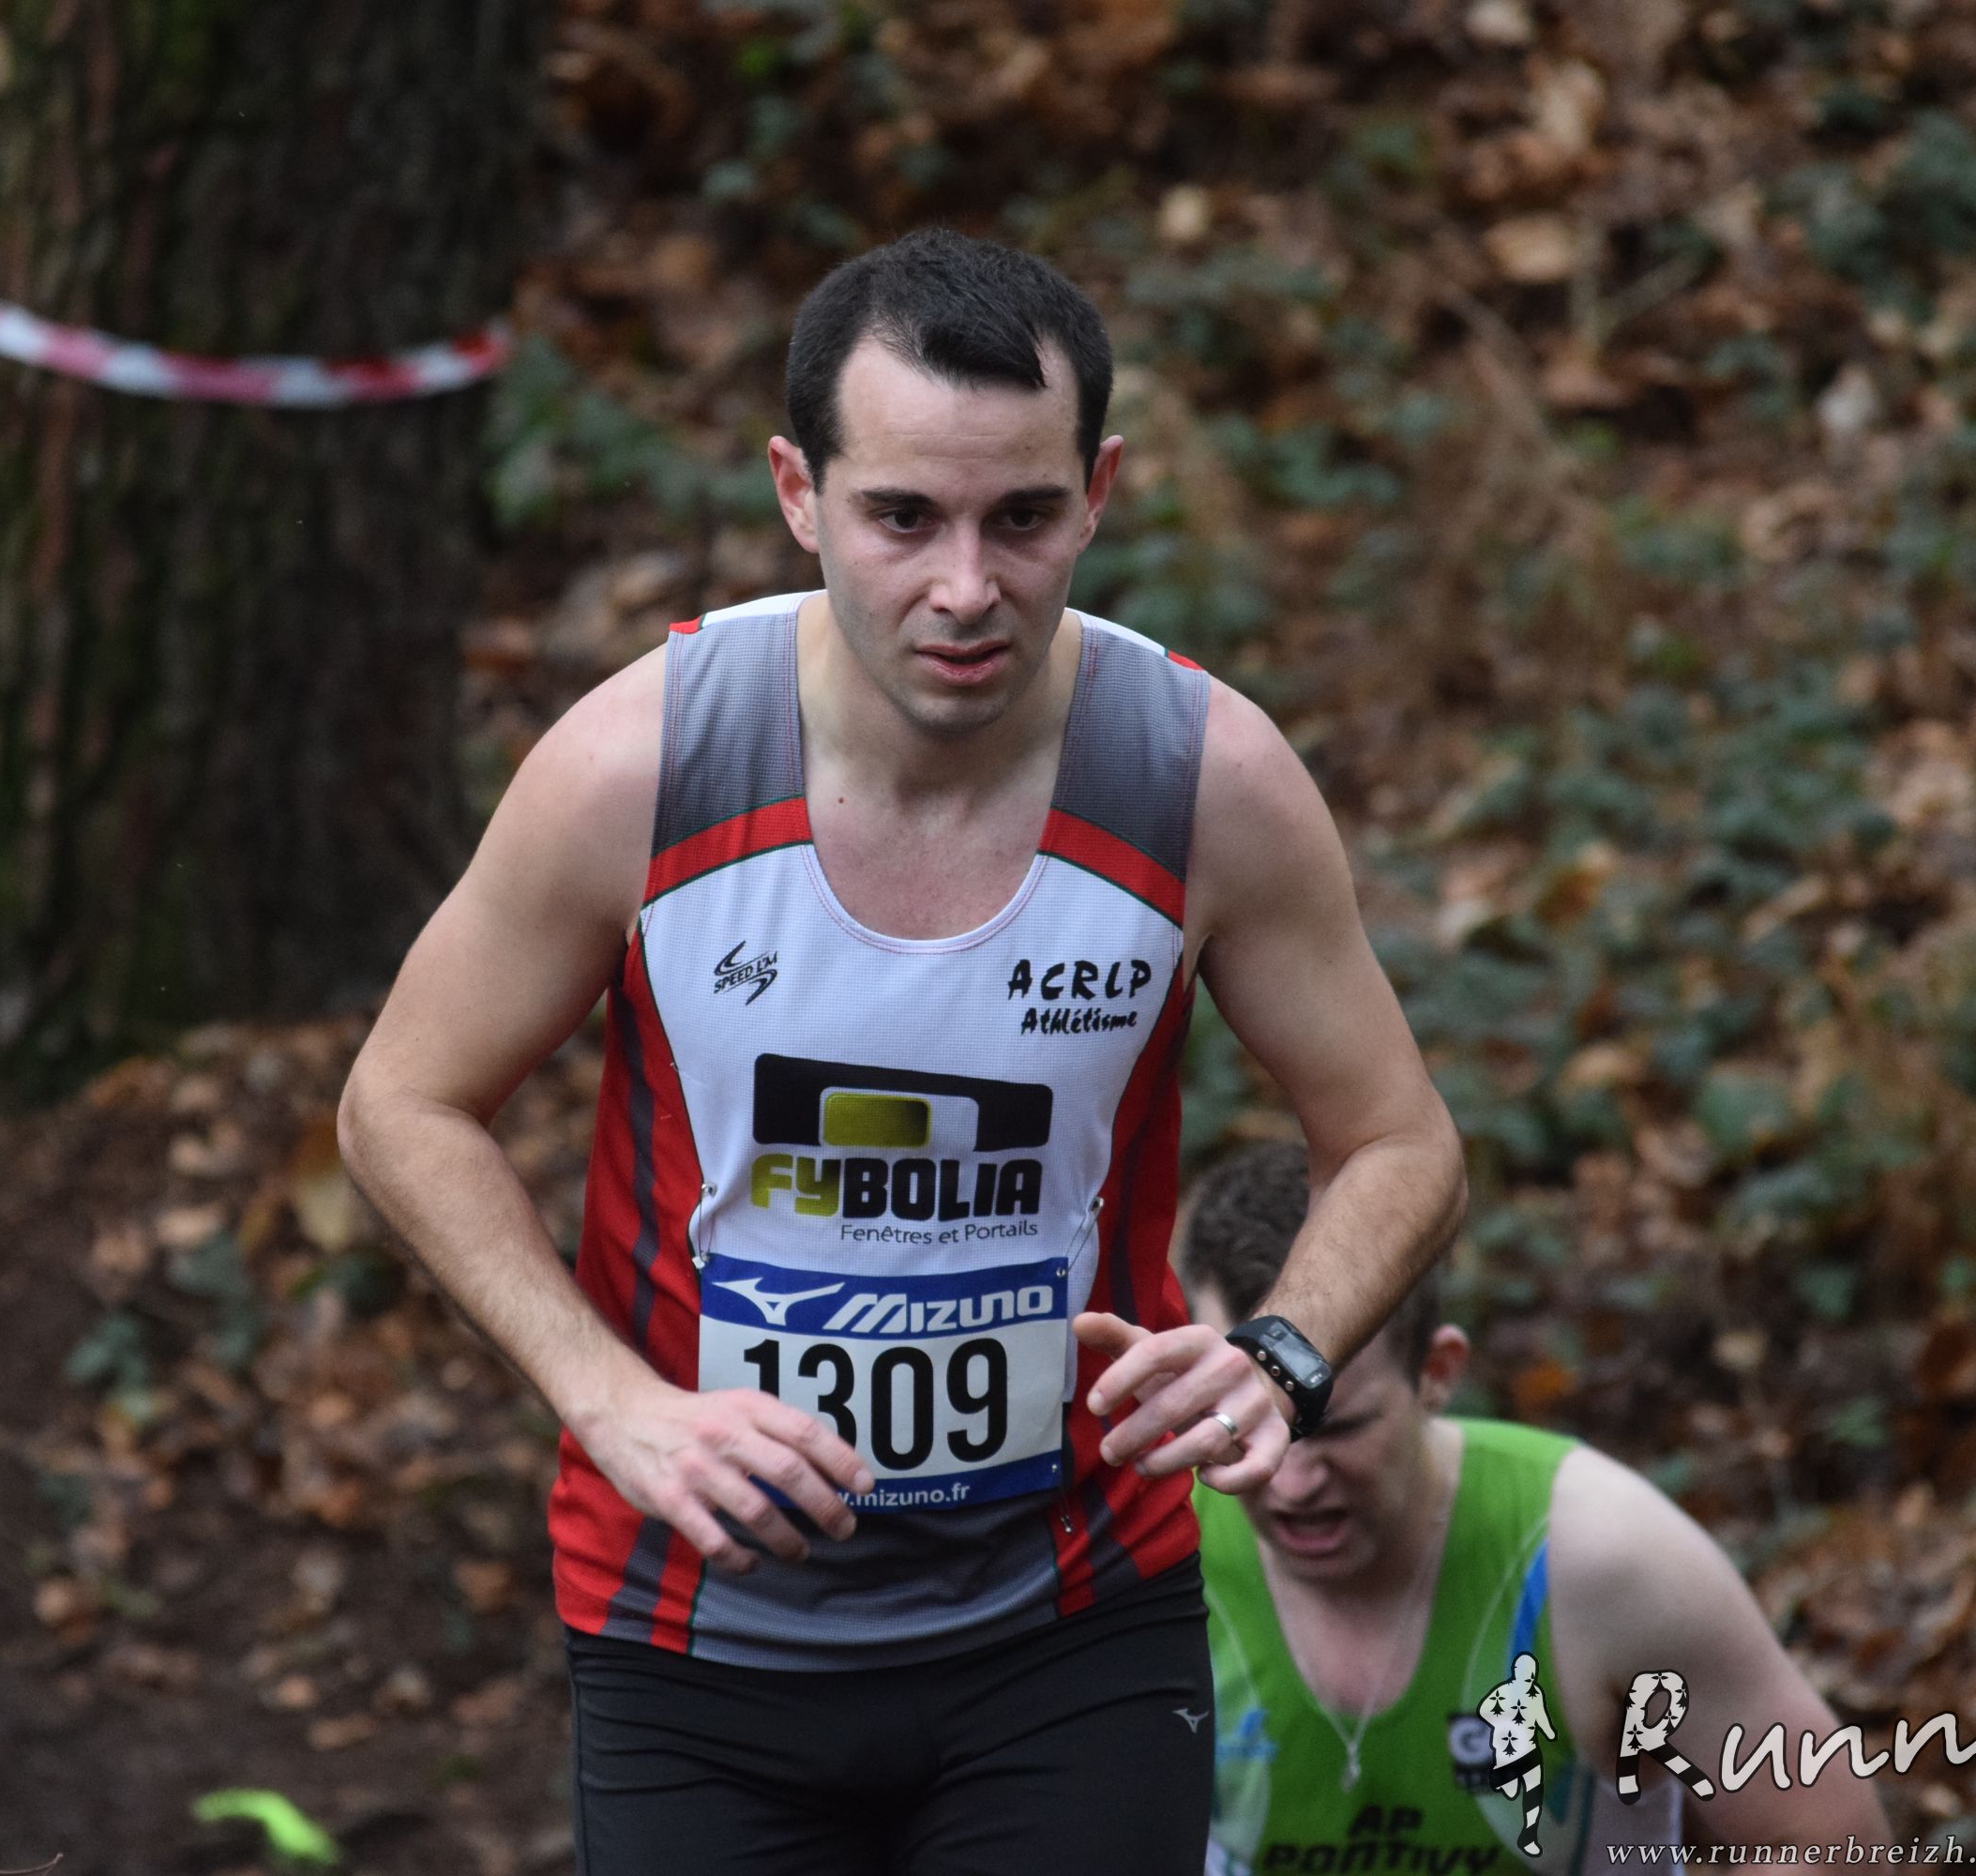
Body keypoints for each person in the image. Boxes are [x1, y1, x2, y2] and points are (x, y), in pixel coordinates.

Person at [337, 228, 1466, 1873]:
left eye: (1023, 518)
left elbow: (1401, 1141)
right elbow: (401, 1100)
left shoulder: (1200, 781)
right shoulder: (643, 765)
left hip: (1071, 1619)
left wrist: (1282, 1355)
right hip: (696, 1624)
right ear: (799, 494)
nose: (965, 588)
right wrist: (612, 1402)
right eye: (903, 518)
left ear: (1099, 495)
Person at [1165, 1141, 1893, 1872]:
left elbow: (1834, 1843)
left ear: (1437, 1373)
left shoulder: (1601, 1557)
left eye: (1340, 1429)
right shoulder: (1158, 1551)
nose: (1290, 1482)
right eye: (1241, 1426)